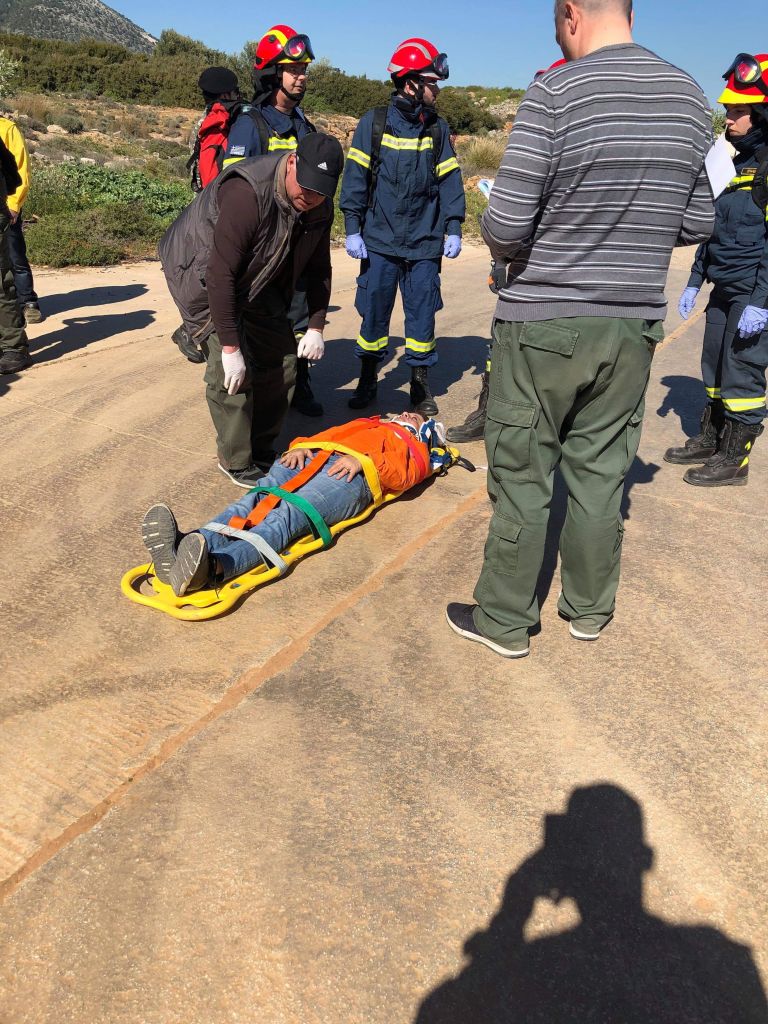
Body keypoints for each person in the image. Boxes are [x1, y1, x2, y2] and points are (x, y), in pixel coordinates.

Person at [445, 0, 715, 658]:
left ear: (571, 13)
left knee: (523, 473)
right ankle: (590, 611)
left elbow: (506, 225)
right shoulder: (690, 98)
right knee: (600, 475)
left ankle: (505, 621)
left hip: (543, 320)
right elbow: (699, 221)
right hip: (631, 325)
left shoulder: (556, 91)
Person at [158, 132, 343, 488]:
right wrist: (230, 347)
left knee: (284, 362)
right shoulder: (247, 192)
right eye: (305, 187)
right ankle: (237, 460)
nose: (310, 197)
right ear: (292, 162)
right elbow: (220, 275)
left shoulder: (319, 205)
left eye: (320, 192)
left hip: (258, 277)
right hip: (199, 271)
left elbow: (319, 268)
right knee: (231, 375)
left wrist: (316, 325)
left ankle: (260, 449)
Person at [140, 411, 446, 596]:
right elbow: (329, 434)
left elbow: (408, 474)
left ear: (423, 429)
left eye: (415, 417)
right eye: (406, 412)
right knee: (253, 501)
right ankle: (181, 549)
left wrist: (366, 461)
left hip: (353, 476)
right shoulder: (369, 422)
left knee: (288, 514)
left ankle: (214, 568)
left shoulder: (413, 445)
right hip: (314, 457)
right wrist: (300, 446)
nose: (407, 414)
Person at [340, 37, 466, 416]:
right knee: (374, 314)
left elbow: (450, 180)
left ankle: (419, 385)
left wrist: (454, 225)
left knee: (422, 316)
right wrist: (352, 226)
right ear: (411, 83)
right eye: (432, 83)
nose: (437, 90)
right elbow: (356, 178)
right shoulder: (374, 123)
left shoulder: (437, 129)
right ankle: (368, 380)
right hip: (380, 242)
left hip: (425, 244)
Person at [664, 53, 768, 486]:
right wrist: (694, 280)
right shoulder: (734, 164)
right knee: (715, 368)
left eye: (738, 111)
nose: (729, 118)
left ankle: (735, 461)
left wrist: (762, 302)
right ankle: (713, 438)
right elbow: (713, 229)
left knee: (743, 372)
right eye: (729, 110)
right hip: (723, 289)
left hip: (753, 293)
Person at [221, 25, 324, 418]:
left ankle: (300, 384)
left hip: (295, 244)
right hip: (261, 247)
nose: (301, 77)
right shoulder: (250, 125)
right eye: (292, 69)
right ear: (271, 73)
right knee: (259, 322)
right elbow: (230, 190)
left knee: (298, 317)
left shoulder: (303, 125)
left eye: (304, 69)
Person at [172, 66, 243, 364]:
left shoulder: (205, 120)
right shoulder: (222, 121)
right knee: (219, 277)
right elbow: (214, 174)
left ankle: (195, 330)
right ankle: (190, 331)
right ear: (227, 92)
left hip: (203, 207)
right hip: (215, 211)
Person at [0, 113, 42, 326]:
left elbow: (20, 168)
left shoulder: (7, 128)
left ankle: (28, 302)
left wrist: (14, 205)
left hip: (4, 207)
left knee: (15, 255)